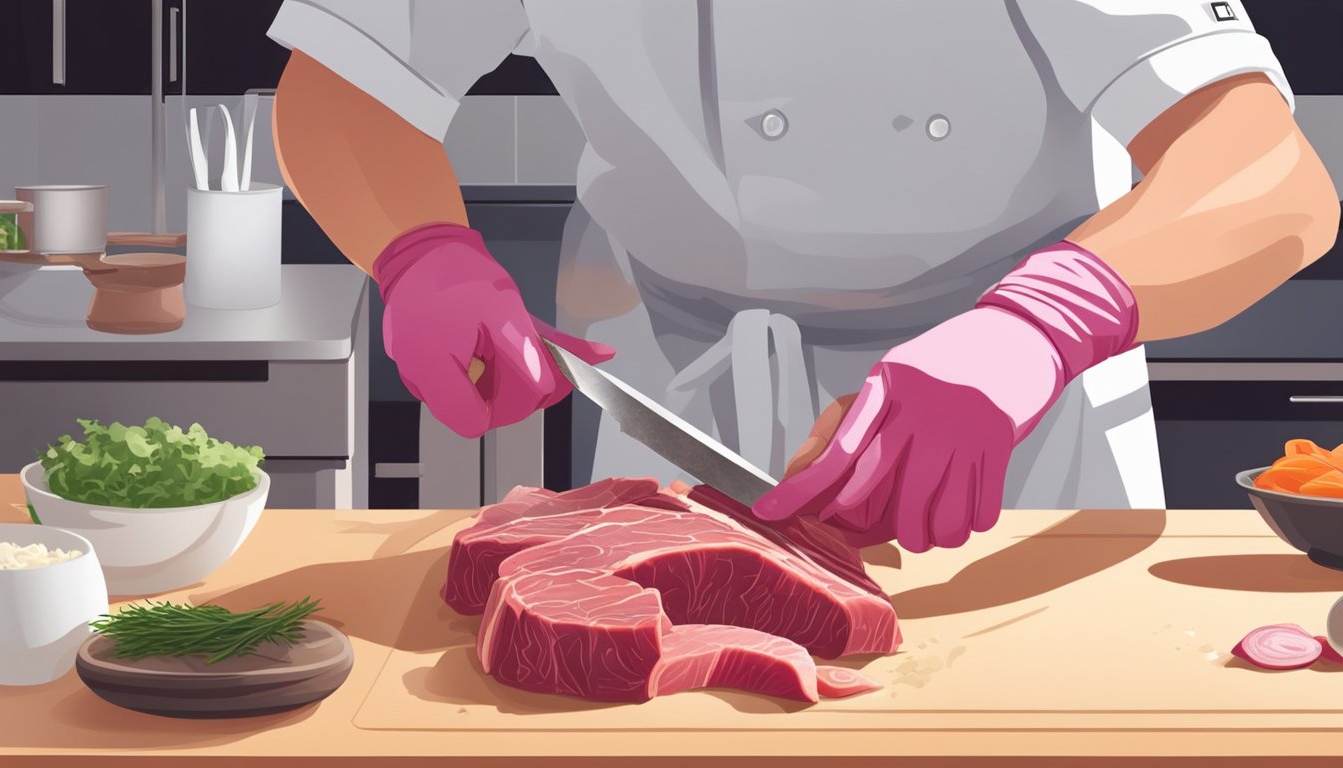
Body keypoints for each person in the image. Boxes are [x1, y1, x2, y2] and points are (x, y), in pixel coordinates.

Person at [268, 2, 1339, 552]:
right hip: (675, 384)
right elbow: (347, 83)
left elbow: (1265, 174)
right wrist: (421, 252)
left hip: (1012, 415)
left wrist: (1040, 324)